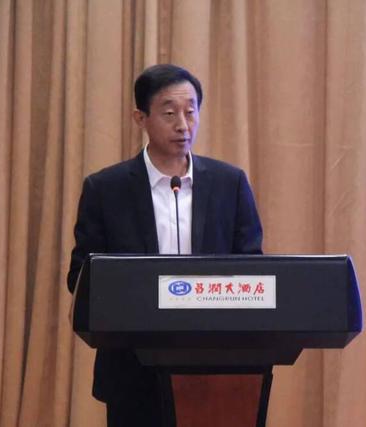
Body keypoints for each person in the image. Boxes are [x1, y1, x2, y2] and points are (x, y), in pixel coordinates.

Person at [67, 64, 263, 426]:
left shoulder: (230, 184)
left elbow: (252, 267)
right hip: (132, 368)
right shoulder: (106, 189)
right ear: (140, 118)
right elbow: (81, 277)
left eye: (191, 112)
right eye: (169, 113)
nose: (183, 125)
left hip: (217, 367)